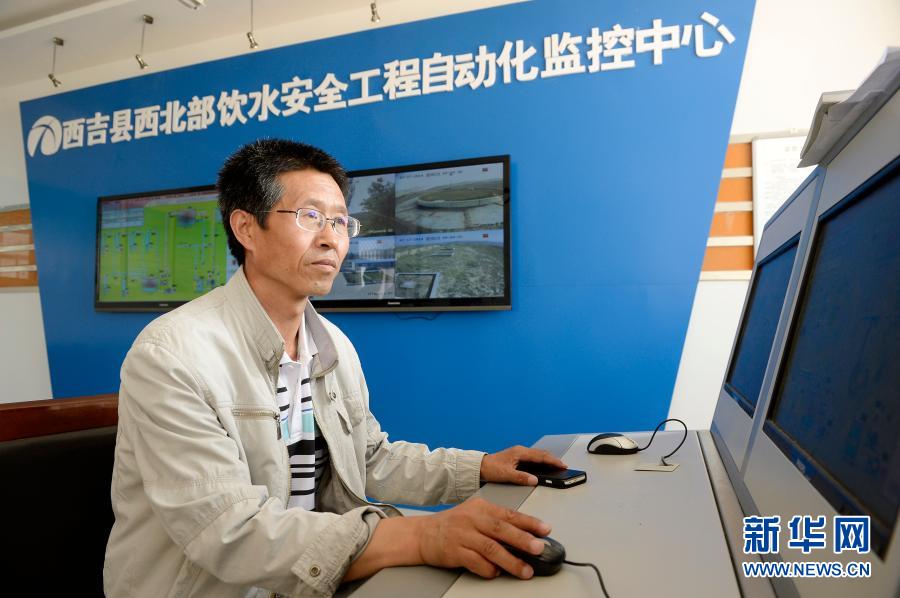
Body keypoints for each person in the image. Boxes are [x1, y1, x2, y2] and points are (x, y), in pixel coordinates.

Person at [104, 139, 567, 597]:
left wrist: (480, 468)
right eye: (310, 216)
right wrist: (422, 536)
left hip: (311, 580)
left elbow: (369, 459)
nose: (331, 238)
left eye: (341, 221)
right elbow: (228, 529)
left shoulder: (332, 345)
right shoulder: (172, 354)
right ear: (246, 228)